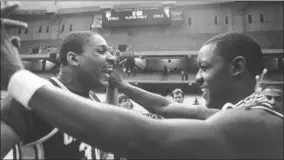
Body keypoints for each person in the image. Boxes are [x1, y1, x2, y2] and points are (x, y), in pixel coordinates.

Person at [1, 3, 283, 159]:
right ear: (74, 59)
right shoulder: (241, 112)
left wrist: (19, 77)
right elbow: (164, 106)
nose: (196, 78)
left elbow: (146, 137)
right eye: (102, 51)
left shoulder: (255, 122)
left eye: (204, 68)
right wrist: (120, 87)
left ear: (237, 67)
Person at [1, 3, 117, 159]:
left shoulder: (92, 99)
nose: (112, 57)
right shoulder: (35, 97)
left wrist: (113, 86)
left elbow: (110, 133)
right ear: (74, 59)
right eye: (101, 51)